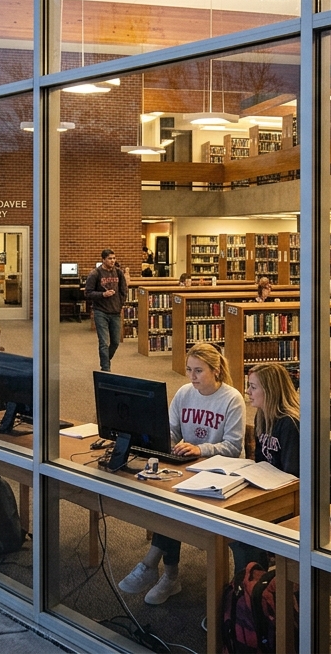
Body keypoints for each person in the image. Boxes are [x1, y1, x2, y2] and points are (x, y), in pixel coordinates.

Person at [119, 343, 245, 605]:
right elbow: (171, 431)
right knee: (166, 498)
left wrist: (200, 448)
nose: (192, 376)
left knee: (174, 504)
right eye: (189, 370)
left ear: (216, 370)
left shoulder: (232, 398)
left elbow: (233, 447)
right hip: (186, 466)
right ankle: (168, 574)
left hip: (220, 472)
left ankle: (157, 567)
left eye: (198, 370)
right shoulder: (184, 393)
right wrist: (164, 443)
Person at [229, 362, 299, 573]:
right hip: (271, 484)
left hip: (295, 494)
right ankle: (249, 580)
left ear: (270, 391)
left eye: (253, 387)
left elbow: (293, 474)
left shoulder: (290, 423)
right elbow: (261, 460)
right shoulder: (262, 415)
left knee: (243, 530)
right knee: (233, 518)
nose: (247, 392)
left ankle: (253, 581)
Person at [85, 249, 128, 372]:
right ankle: (106, 369)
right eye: (110, 258)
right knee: (104, 342)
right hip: (100, 312)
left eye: (114, 258)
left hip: (115, 312)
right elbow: (88, 293)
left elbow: (123, 290)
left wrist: (120, 304)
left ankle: (105, 360)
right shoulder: (95, 274)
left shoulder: (118, 273)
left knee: (115, 342)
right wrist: (103, 294)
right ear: (103, 259)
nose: (112, 261)